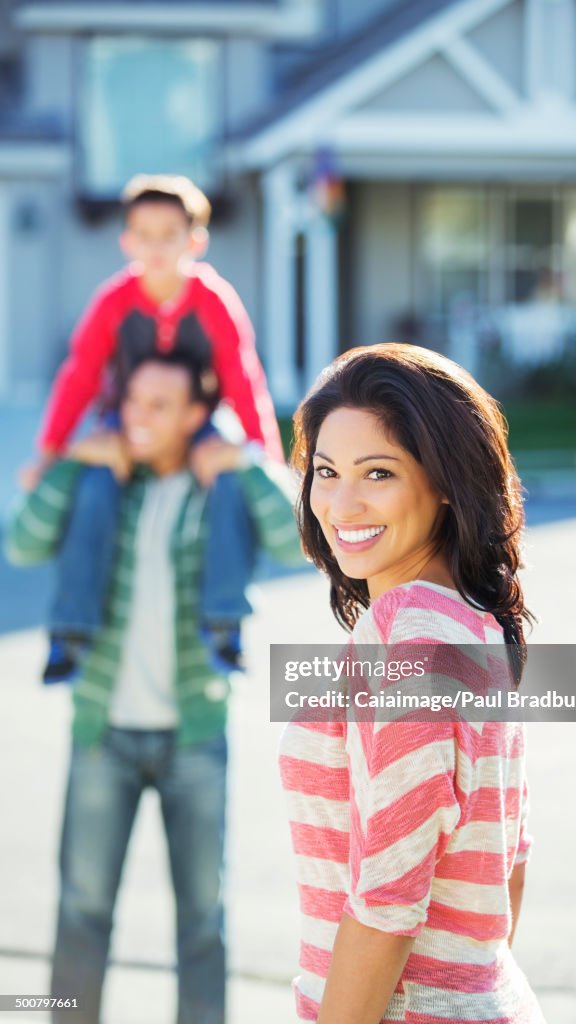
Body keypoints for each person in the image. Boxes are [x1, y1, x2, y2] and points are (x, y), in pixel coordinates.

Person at [5, 350, 300, 1024]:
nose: (139, 419)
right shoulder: (103, 489)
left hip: (195, 736)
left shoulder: (218, 491)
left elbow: (294, 544)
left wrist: (248, 463)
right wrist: (75, 459)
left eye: (159, 406)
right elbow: (21, 544)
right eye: (133, 402)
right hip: (100, 731)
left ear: (197, 415)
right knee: (81, 911)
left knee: (203, 921)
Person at [280, 343, 546, 1023]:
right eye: (327, 471)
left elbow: (386, 906)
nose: (341, 503)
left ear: (448, 479)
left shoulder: (407, 637)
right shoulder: (474, 624)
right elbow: (507, 861)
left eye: (378, 473)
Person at [23, 173, 283, 682]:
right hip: (127, 420)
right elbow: (80, 372)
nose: (157, 247)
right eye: (145, 234)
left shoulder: (213, 300)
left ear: (195, 240)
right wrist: (51, 451)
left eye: (170, 234)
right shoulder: (114, 301)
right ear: (127, 240)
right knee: (95, 485)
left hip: (196, 419)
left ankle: (224, 622)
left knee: (227, 481)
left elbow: (241, 374)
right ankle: (70, 629)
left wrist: (259, 450)